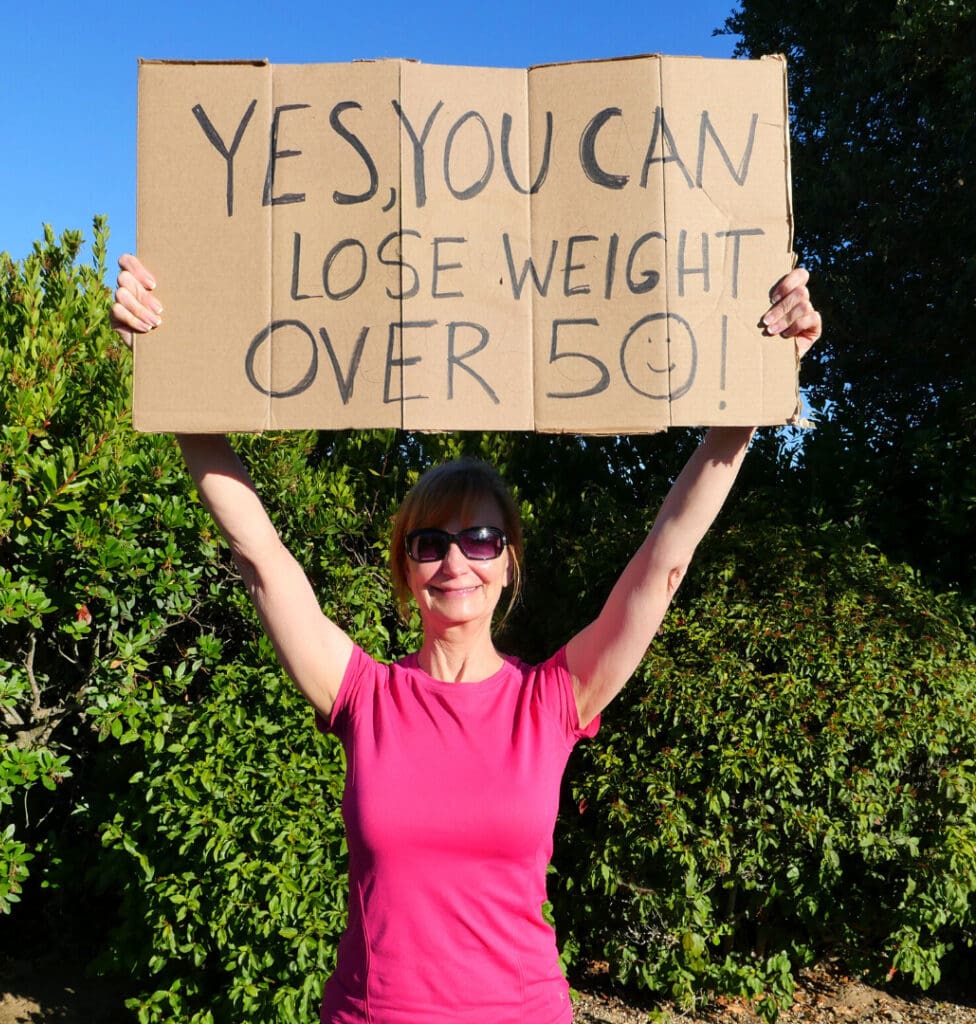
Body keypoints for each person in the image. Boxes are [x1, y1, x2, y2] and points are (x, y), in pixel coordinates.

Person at [112, 255, 821, 1024]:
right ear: (406, 566)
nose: (456, 559)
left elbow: (665, 563)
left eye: (481, 539)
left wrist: (749, 397)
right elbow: (260, 554)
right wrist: (168, 363)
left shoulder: (551, 699)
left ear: (508, 560)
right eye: (430, 542)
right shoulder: (361, 694)